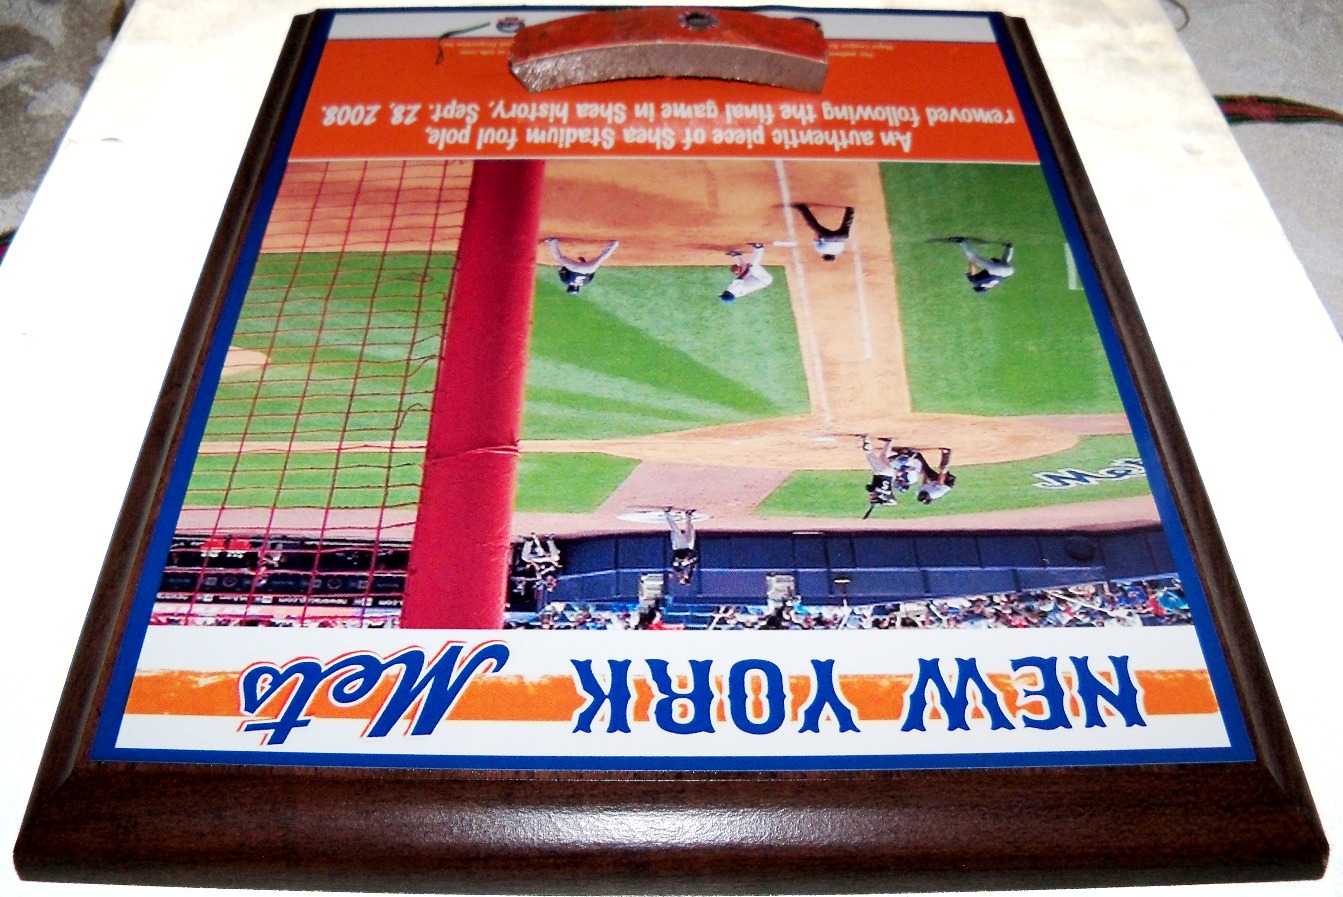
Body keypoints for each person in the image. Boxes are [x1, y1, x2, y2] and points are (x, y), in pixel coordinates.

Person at [860, 435, 957, 514]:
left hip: (887, 472)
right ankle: (866, 438)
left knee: (883, 457)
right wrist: (881, 501)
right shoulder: (934, 493)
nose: (870, 497)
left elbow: (894, 502)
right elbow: (940, 480)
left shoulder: (885, 495)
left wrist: (881, 501)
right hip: (886, 473)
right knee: (871, 455)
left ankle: (888, 443)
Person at [543, 236, 619, 294]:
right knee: (558, 258)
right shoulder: (566, 282)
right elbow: (562, 270)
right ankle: (553, 241)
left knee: (602, 258)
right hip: (575, 268)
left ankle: (614, 244)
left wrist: (584, 263)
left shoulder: (586, 283)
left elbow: (591, 273)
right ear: (569, 287)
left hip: (590, 269)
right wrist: (565, 262)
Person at [951, 237, 1015, 292]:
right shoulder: (977, 283)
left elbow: (1002, 274)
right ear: (976, 287)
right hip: (997, 270)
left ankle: (1009, 247)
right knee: (974, 257)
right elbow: (973, 271)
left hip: (1009, 272)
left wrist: (996, 263)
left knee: (1005, 261)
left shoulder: (992, 285)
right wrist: (971, 261)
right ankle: (962, 241)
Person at [664, 508, 698, 584]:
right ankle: (688, 515)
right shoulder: (690, 569)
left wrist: (684, 560)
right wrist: (691, 559)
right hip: (688, 547)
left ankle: (667, 514)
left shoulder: (677, 567)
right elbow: (695, 557)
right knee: (690, 530)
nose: (682, 576)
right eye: (685, 578)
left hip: (679, 547)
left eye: (681, 578)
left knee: (675, 530)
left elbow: (677, 557)